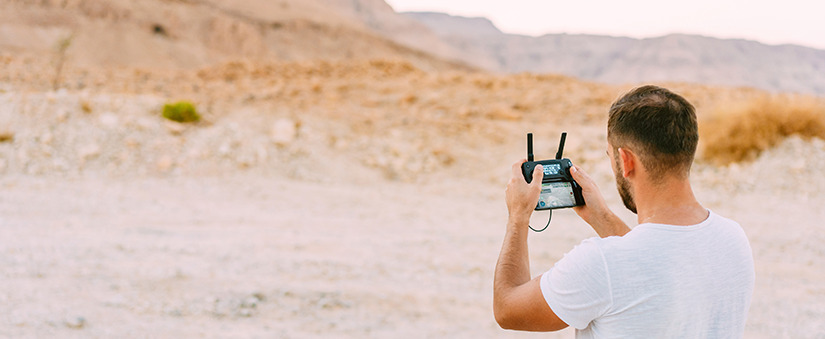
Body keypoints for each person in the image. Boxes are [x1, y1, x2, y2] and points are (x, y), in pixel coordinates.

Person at [493, 85, 755, 338]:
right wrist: (601, 217)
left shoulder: (601, 264)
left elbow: (507, 309)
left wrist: (518, 216)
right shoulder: (733, 238)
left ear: (626, 161)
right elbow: (654, 263)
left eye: (610, 156)